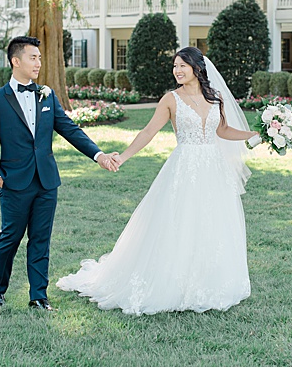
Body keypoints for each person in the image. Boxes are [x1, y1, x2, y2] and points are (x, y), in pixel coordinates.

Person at [56, 46, 258, 315]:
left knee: (211, 222)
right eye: (175, 66)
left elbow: (222, 130)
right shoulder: (170, 99)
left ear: (197, 68)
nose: (177, 71)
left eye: (182, 66)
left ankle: (208, 281)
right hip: (184, 168)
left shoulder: (215, 98)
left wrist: (253, 134)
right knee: (180, 221)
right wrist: (123, 157)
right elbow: (149, 131)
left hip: (213, 169)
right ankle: (174, 282)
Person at [0, 36, 121, 311]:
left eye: (40, 58)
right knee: (10, 238)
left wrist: (98, 155)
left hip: (46, 181)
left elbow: (69, 128)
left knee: (41, 240)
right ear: (15, 61)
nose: (39, 63)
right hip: (13, 182)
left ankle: (39, 297)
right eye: (33, 57)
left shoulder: (47, 94)